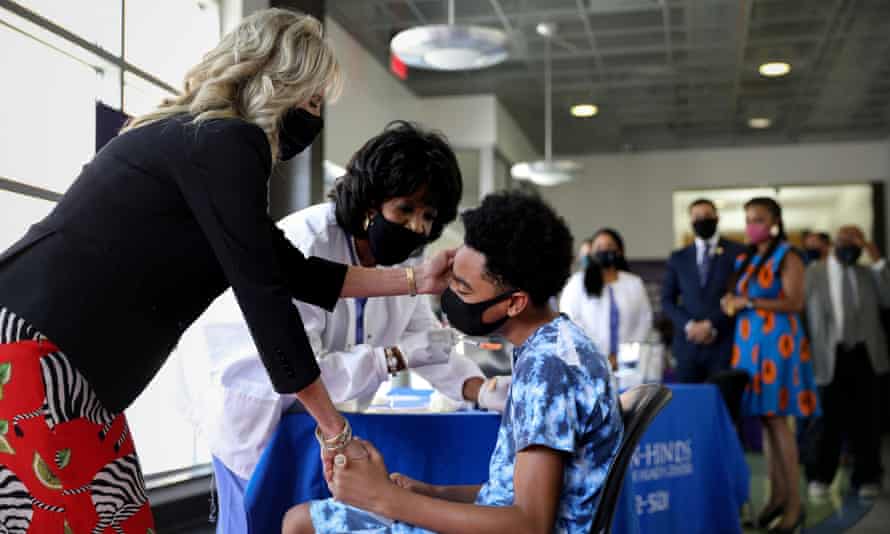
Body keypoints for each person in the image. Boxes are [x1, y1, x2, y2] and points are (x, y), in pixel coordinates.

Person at [0, 10, 453, 532]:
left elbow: (296, 273)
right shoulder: (228, 143)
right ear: (279, 82)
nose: (312, 116)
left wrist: (418, 280)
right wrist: (334, 430)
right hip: (37, 354)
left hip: (62, 359)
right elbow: (266, 301)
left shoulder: (201, 140)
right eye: (310, 99)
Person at [178, 121, 511, 532]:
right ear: (370, 201)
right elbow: (302, 366)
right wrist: (392, 359)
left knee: (310, 521)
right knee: (257, 520)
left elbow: (424, 339)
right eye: (405, 209)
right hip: (256, 404)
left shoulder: (405, 261)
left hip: (323, 422)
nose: (418, 228)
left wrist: (481, 389)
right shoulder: (309, 243)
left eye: (428, 216)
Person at [282, 190, 624, 534]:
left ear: (515, 302)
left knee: (301, 524)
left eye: (463, 289)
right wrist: (434, 493)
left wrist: (386, 499)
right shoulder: (556, 347)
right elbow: (510, 494)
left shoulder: (549, 370)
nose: (450, 298)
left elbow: (529, 523)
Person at [721, 197, 820, 533]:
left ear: (775, 222)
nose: (751, 225)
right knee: (765, 422)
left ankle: (794, 505)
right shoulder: (748, 257)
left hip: (779, 345)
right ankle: (776, 498)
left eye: (758, 219)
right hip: (750, 346)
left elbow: (794, 301)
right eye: (748, 219)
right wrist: (731, 301)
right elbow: (740, 295)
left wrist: (747, 300)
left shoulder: (788, 256)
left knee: (779, 422)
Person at [803, 225, 889, 499]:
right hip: (829, 355)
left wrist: (873, 253)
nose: (849, 245)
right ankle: (820, 477)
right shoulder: (813, 274)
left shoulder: (867, 273)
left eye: (855, 241)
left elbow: (888, 297)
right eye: (845, 240)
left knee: (867, 420)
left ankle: (867, 477)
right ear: (833, 244)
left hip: (865, 355)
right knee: (827, 420)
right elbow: (802, 314)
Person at [662, 198, 746, 383]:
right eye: (697, 216)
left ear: (717, 218)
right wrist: (690, 326)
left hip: (725, 343)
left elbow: (741, 296)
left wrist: (711, 325)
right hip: (687, 347)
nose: (703, 220)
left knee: (725, 403)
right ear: (691, 221)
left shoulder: (738, 253)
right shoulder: (679, 258)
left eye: (707, 215)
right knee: (689, 406)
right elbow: (667, 301)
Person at [560, 228, 652, 369]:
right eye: (599, 247)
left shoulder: (634, 283)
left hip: (629, 361)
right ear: (591, 252)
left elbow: (644, 320)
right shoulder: (577, 283)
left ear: (619, 251)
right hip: (588, 359)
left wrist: (625, 354)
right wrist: (599, 355)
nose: (604, 250)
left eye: (610, 246)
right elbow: (570, 321)